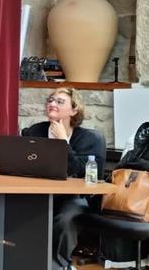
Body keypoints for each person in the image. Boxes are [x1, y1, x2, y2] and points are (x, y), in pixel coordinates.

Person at [22, 87, 105, 270]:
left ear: (74, 110)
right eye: (50, 100)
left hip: (74, 197)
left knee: (66, 218)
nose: (52, 104)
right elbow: (24, 164)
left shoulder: (90, 139)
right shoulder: (34, 132)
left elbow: (79, 172)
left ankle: (58, 266)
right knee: (16, 213)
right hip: (38, 195)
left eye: (60, 101)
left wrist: (63, 142)